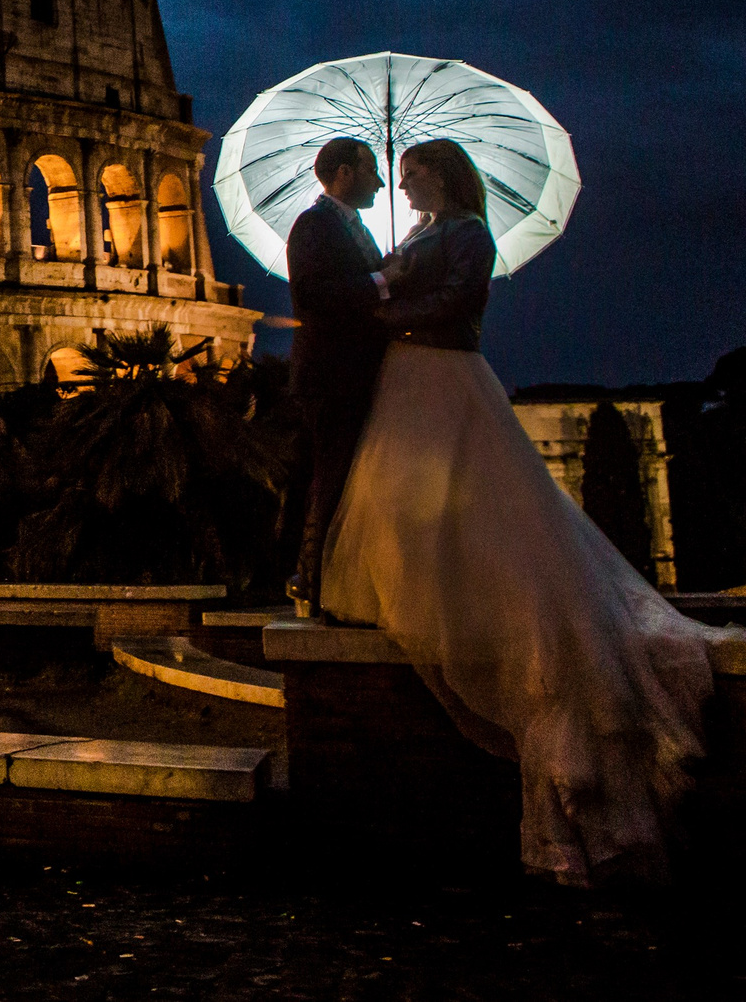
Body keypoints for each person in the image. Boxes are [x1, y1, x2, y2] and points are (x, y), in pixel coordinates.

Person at [320, 138, 742, 885]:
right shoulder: (417, 232)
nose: (403, 182)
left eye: (413, 173)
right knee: (412, 505)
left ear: (444, 176)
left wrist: (392, 310)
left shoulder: (469, 234)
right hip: (413, 381)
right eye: (403, 173)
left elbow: (461, 301)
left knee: (483, 505)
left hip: (446, 375)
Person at [284, 137, 391, 619]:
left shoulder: (349, 226)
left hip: (351, 373)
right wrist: (387, 281)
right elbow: (313, 295)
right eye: (372, 171)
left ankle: (334, 579)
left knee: (346, 477)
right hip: (331, 375)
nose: (381, 182)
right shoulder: (314, 225)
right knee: (332, 476)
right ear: (344, 173)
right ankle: (312, 580)